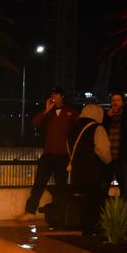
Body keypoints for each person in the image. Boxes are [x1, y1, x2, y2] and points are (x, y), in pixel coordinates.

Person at [19, 86, 78, 221]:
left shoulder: (70, 112)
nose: (53, 97)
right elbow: (35, 122)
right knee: (39, 183)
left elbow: (76, 129)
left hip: (63, 155)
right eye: (52, 95)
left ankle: (62, 213)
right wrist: (46, 110)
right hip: (48, 154)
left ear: (62, 96)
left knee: (61, 186)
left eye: (56, 95)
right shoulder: (49, 113)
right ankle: (30, 211)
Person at [67, 104, 111, 235]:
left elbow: (69, 149)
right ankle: (92, 230)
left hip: (77, 173)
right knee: (94, 202)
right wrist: (109, 161)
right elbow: (104, 153)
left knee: (83, 201)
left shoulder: (73, 129)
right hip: (94, 173)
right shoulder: (97, 128)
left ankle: (83, 228)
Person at [102, 92, 127, 197]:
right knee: (103, 187)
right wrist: (107, 118)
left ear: (123, 103)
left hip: (123, 159)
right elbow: (100, 133)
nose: (115, 103)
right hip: (107, 159)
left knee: (125, 189)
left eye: (118, 100)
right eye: (113, 100)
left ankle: (124, 211)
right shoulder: (106, 117)